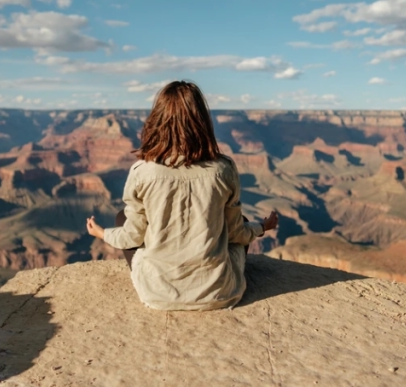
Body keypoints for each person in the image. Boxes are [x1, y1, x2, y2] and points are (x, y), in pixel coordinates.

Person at [86, 80, 279, 311]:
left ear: (157, 120)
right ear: (202, 121)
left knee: (122, 219)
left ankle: (162, 281)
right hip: (219, 293)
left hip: (157, 295)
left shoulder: (142, 171)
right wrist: (262, 227)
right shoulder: (223, 169)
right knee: (243, 222)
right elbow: (237, 233)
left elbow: (133, 237)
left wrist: (102, 233)